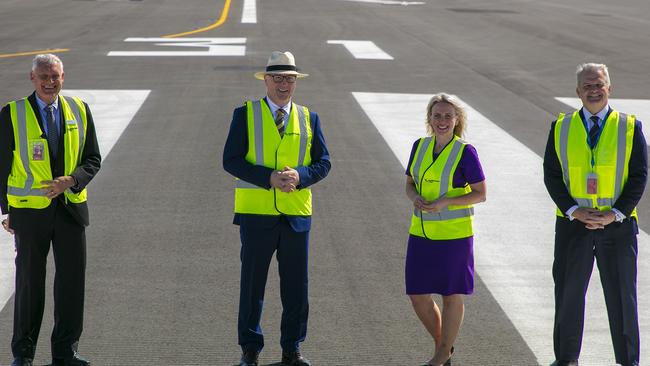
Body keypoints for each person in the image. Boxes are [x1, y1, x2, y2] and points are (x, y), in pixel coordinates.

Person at [223, 51, 331, 366]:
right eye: (278, 77)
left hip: (296, 215)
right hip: (256, 215)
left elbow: (324, 162)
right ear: (266, 80)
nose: (284, 84)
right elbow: (230, 160)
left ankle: (292, 349)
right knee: (252, 286)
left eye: (290, 78)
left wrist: (302, 176)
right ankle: (250, 349)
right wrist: (268, 178)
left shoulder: (309, 117)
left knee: (297, 288)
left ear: (296, 82)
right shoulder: (245, 114)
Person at [0, 54, 101, 366]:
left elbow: (93, 159)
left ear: (63, 77)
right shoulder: (12, 113)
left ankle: (65, 351)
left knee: (72, 283)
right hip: (30, 213)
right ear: (32, 78)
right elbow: (1, 164)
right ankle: (24, 354)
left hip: (70, 210)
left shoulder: (80, 110)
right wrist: (6, 211)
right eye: (43, 76)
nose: (49, 82)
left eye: (54, 76)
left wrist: (72, 180)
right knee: (30, 284)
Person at [543, 63, 647, 366]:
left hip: (617, 226)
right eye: (587, 85)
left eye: (599, 84)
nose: (593, 89)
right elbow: (551, 175)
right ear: (577, 92)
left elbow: (639, 175)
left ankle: (628, 361)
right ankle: (565, 359)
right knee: (567, 295)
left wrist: (615, 213)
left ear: (609, 89)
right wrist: (574, 211)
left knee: (622, 298)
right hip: (572, 225)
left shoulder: (629, 126)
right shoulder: (560, 126)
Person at [404, 93, 487, 366]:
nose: (442, 121)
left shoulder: (465, 152)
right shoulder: (420, 146)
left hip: (455, 237)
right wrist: (413, 196)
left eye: (447, 116)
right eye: (437, 115)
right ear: (429, 119)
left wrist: (447, 202)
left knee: (451, 295)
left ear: (457, 120)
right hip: (421, 233)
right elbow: (409, 183)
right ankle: (444, 346)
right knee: (417, 295)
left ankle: (441, 355)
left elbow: (480, 193)